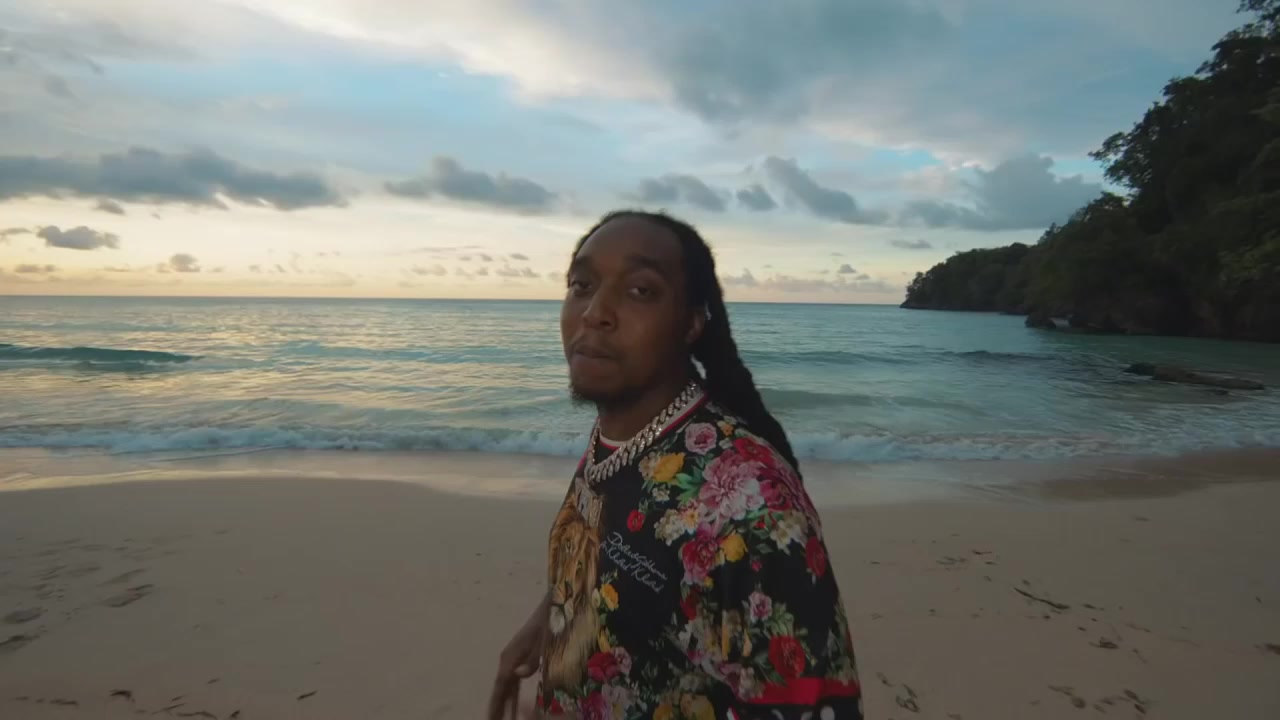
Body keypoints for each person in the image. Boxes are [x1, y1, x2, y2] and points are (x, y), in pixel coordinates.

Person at [489, 210, 862, 720]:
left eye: (640, 291)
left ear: (690, 324)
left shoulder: (752, 509)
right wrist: (547, 625)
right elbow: (611, 554)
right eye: (581, 285)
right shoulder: (623, 435)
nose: (594, 312)